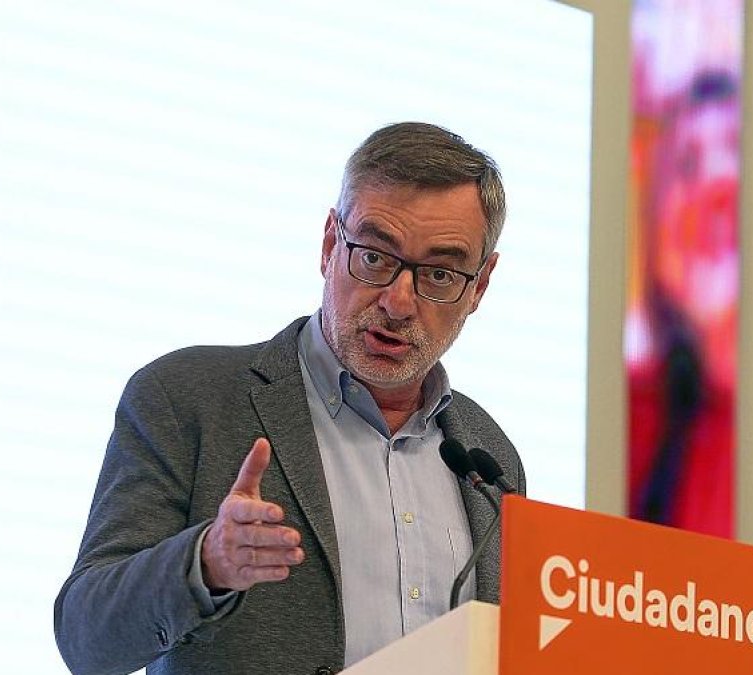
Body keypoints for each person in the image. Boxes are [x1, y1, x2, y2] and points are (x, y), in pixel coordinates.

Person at [54, 122, 526, 675]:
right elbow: (87, 638)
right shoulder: (188, 398)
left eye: (441, 274)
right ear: (330, 243)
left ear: (480, 286)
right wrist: (206, 563)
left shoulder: (488, 456)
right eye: (374, 257)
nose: (399, 302)